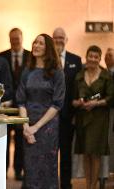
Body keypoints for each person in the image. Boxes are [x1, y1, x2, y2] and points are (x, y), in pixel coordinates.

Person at [16, 33, 65, 188]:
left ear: (48, 48)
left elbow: (57, 104)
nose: (36, 46)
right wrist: (26, 127)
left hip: (48, 126)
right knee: (30, 168)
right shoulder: (27, 71)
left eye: (41, 43)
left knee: (47, 166)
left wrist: (36, 127)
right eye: (34, 42)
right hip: (28, 125)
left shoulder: (57, 72)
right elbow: (21, 101)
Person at [72, 45, 114, 189]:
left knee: (95, 153)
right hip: (82, 118)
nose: (93, 59)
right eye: (91, 56)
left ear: (100, 59)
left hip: (99, 119)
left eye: (96, 57)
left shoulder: (105, 76)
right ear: (86, 56)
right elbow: (72, 98)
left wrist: (96, 103)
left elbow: (111, 98)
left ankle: (93, 186)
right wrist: (78, 103)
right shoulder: (79, 75)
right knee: (85, 153)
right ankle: (87, 184)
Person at [0, 27, 30, 180]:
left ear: (22, 38)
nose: (15, 42)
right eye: (12, 39)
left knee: (19, 140)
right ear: (9, 39)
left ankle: (18, 170)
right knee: (3, 139)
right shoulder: (1, 57)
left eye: (17, 39)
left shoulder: (31, 57)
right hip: (5, 106)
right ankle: (2, 170)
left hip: (23, 106)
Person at [52, 27, 82, 189]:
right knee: (49, 153)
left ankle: (65, 184)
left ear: (66, 40)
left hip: (66, 116)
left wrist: (75, 114)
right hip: (48, 117)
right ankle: (49, 183)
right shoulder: (46, 60)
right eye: (56, 38)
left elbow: (78, 88)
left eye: (61, 38)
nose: (58, 41)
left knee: (65, 154)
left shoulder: (75, 60)